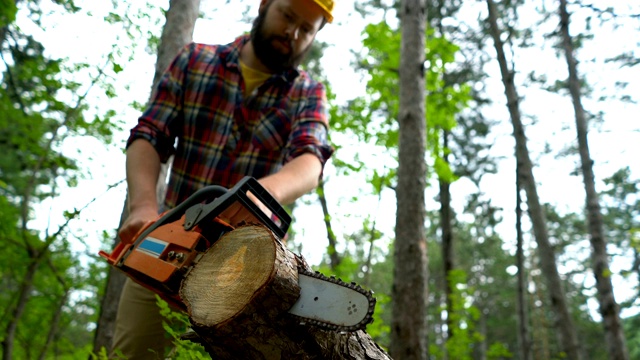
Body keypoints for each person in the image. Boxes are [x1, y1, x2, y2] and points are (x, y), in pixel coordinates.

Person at [109, 0, 335, 358]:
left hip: (246, 265)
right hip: (171, 242)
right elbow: (149, 135)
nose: (292, 32)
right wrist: (142, 207)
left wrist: (259, 196)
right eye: (288, 16)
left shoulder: (307, 92)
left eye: (306, 29)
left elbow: (311, 159)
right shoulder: (196, 61)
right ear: (265, 5)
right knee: (134, 351)